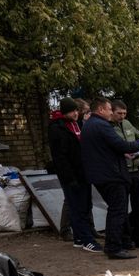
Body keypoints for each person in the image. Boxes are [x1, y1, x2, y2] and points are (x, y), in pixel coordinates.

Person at [80, 96, 139, 259]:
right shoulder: (102, 125)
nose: (112, 112)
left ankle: (118, 243)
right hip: (111, 175)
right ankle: (114, 247)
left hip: (100, 174)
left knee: (116, 209)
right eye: (110, 109)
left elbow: (106, 148)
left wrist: (122, 154)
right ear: (101, 110)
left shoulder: (90, 125)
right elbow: (121, 144)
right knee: (118, 210)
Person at [48, 97, 101, 252]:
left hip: (82, 172)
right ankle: (87, 240)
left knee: (85, 205)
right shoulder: (57, 128)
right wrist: (69, 177)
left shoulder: (76, 125)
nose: (76, 113)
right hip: (71, 175)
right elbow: (60, 156)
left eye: (77, 110)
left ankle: (79, 237)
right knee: (77, 207)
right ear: (65, 112)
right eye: (72, 111)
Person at [111, 99, 139, 249]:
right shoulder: (108, 127)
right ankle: (126, 240)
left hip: (137, 170)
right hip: (122, 172)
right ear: (112, 112)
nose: (122, 116)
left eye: (124, 113)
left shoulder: (127, 124)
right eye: (119, 113)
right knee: (122, 208)